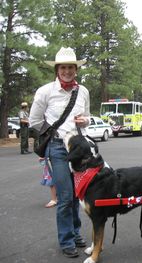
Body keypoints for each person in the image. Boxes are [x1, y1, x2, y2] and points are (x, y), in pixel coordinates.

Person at [29, 47, 90, 258]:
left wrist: (85, 121)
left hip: (78, 148)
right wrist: (53, 132)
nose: (67, 71)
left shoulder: (83, 91)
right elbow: (35, 121)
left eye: (71, 67)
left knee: (76, 194)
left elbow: (88, 118)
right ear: (57, 69)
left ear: (76, 69)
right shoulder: (45, 91)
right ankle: (66, 239)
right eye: (63, 67)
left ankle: (75, 232)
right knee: (65, 195)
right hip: (56, 147)